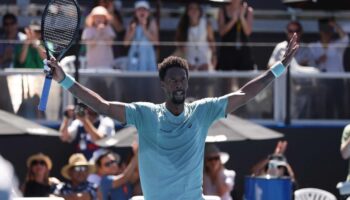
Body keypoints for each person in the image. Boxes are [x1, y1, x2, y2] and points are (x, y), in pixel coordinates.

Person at [45, 31, 298, 199]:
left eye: (182, 80)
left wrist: (279, 68)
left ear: (187, 83)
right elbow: (103, 106)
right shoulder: (144, 114)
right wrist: (64, 79)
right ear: (163, 85)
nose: (178, 84)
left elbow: (243, 94)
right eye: (173, 80)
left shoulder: (202, 111)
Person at [268, 21, 319, 119]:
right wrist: (283, 64)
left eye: (297, 31)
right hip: (282, 87)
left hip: (301, 88)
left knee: (300, 112)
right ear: (286, 32)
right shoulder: (280, 47)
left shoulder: (306, 49)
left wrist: (301, 66)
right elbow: (270, 64)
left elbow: (314, 70)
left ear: (301, 32)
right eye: (291, 31)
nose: (294, 34)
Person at [175, 2, 216, 71]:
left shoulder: (206, 24)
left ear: (200, 12)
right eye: (191, 8)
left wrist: (214, 56)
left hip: (205, 62)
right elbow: (179, 45)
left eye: (196, 9)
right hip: (190, 63)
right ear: (187, 12)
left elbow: (211, 41)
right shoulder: (183, 26)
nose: (194, 11)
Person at [216, 0, 255, 71]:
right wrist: (233, 20)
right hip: (227, 51)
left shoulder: (248, 10)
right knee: (227, 79)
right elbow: (221, 32)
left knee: (244, 79)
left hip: (244, 51)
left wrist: (242, 17)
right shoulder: (222, 10)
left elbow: (248, 32)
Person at [124, 0, 158, 71]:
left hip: (147, 54)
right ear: (135, 12)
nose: (142, 12)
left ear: (148, 12)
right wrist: (133, 31)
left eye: (144, 10)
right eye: (139, 10)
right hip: (134, 53)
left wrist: (144, 28)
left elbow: (156, 42)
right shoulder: (131, 24)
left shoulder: (152, 23)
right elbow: (125, 43)